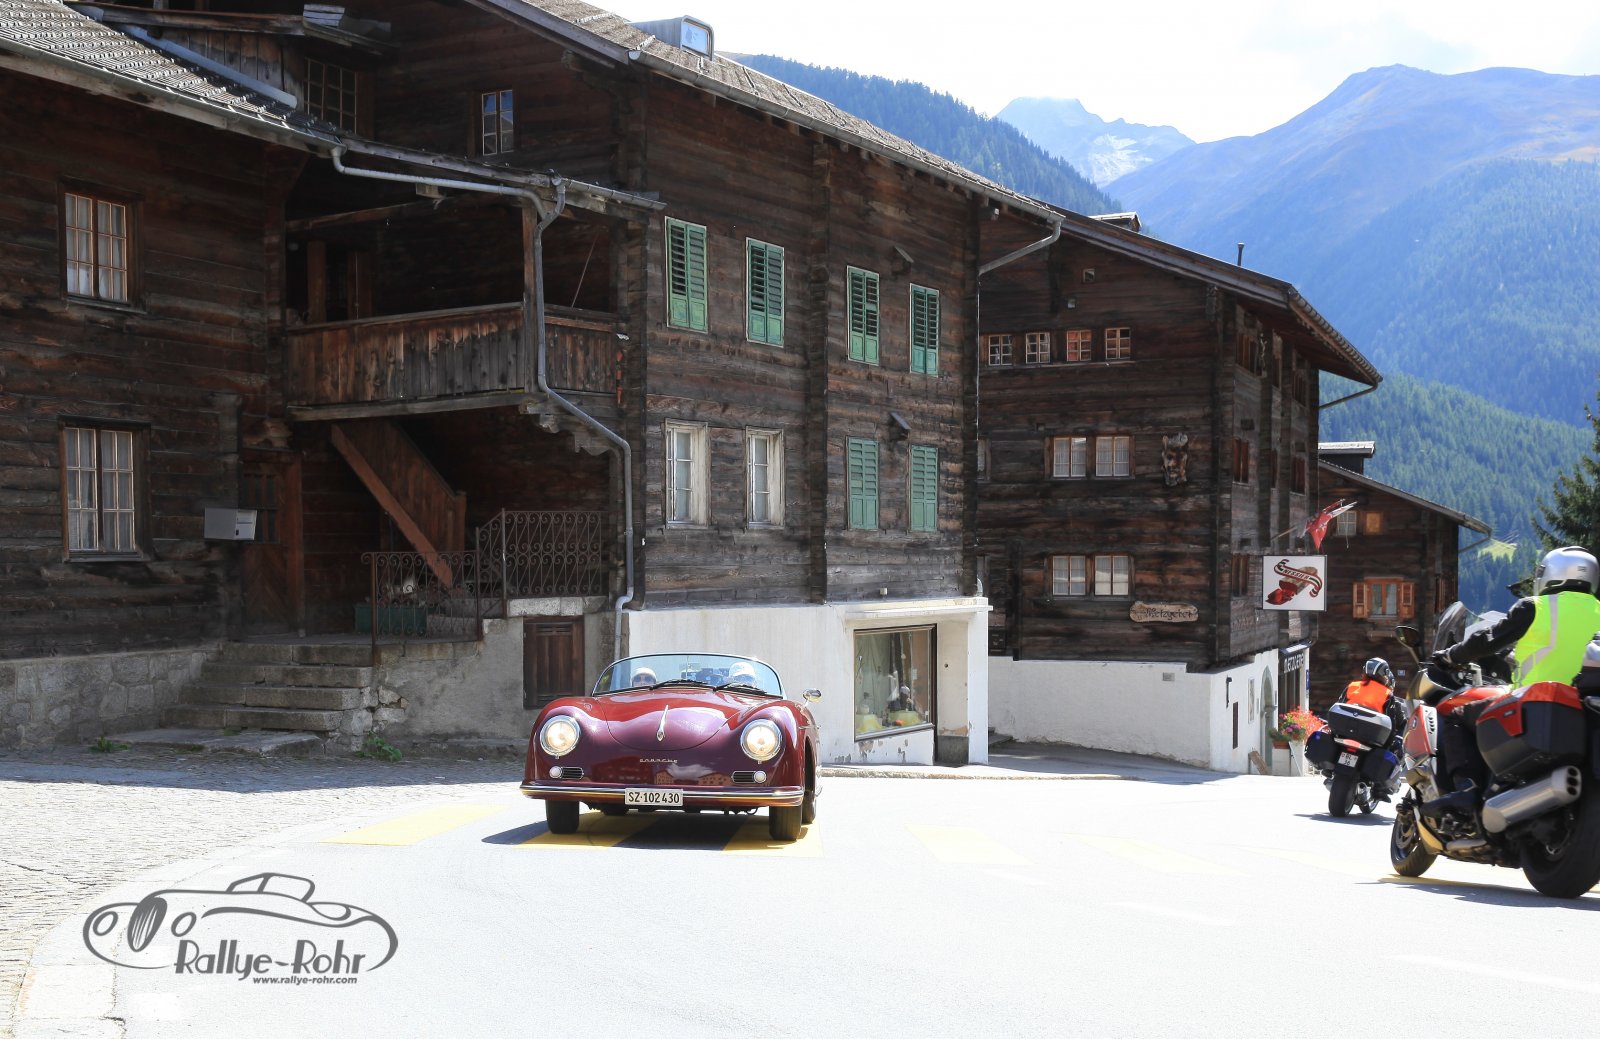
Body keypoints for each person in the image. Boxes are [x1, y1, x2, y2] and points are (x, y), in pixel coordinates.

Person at [1425, 545, 1600, 813]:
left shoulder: (1536, 607)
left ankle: (1467, 790)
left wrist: (1451, 655)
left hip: (1535, 703)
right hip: (1586, 707)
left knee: (1458, 717)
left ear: (1552, 574)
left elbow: (1487, 640)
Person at [1336, 657, 1406, 760]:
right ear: (1384, 673)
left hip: (1345, 732)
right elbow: (1390, 725)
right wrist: (1387, 747)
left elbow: (1338, 707)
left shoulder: (1352, 686)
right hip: (1370, 739)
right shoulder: (1387, 694)